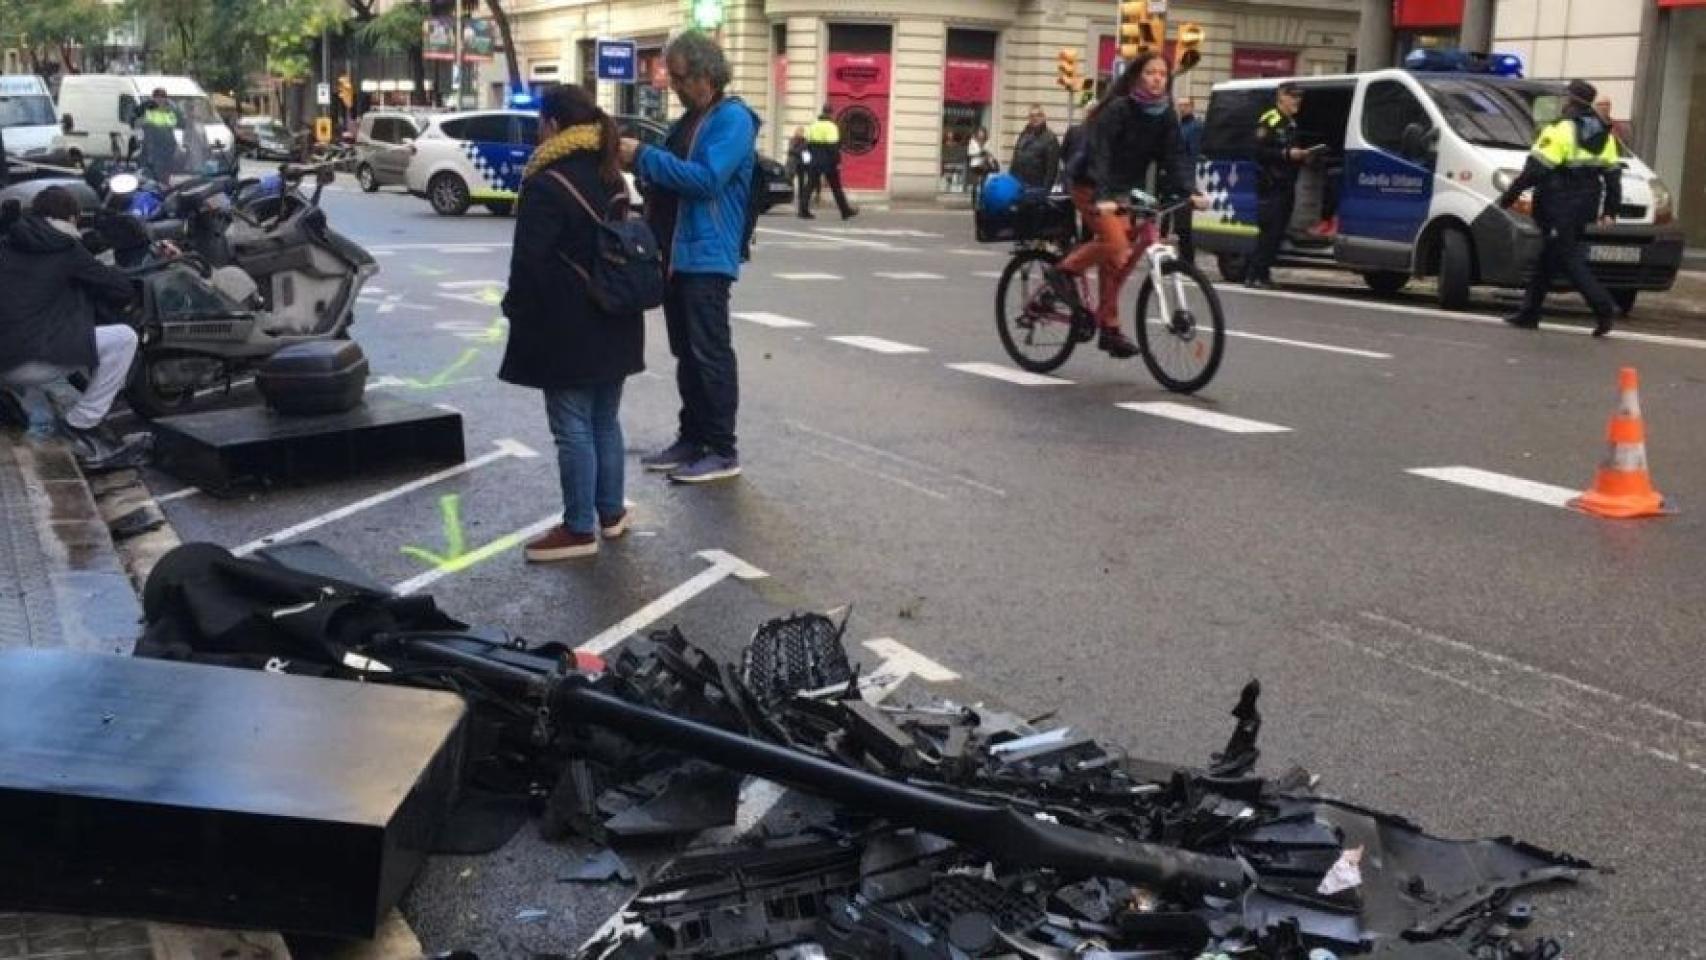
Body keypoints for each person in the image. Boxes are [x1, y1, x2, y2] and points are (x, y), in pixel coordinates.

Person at [500, 85, 643, 562]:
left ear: (554, 125)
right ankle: (611, 513)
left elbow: (530, 265)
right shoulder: (613, 176)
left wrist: (516, 311)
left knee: (572, 425)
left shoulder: (546, 183)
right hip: (618, 316)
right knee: (604, 417)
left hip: (569, 324)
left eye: (541, 122)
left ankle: (579, 527)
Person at [620, 30, 758, 483]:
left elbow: (705, 180)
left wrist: (643, 156)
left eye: (680, 78)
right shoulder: (688, 121)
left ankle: (722, 448)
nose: (675, 87)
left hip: (706, 255)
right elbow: (670, 174)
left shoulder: (732, 119)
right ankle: (692, 437)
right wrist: (643, 166)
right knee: (687, 353)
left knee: (709, 352)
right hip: (676, 255)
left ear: (705, 75)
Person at [1052, 52, 1204, 359]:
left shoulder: (1165, 115)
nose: (1157, 78)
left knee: (1117, 260)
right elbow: (1100, 153)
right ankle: (1063, 271)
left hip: (1123, 190)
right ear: (1137, 76)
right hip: (1090, 183)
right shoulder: (1119, 109)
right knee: (1115, 242)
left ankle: (1109, 329)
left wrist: (1190, 190)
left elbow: (1175, 156)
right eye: (1150, 72)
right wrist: (1104, 195)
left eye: (1162, 73)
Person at [0, 187, 145, 469]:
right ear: (72, 218)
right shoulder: (66, 248)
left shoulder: (7, 242)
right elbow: (120, 289)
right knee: (124, 338)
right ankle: (82, 422)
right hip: (27, 364)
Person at [1497, 78, 1622, 337]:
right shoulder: (1602, 133)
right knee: (1548, 257)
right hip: (1585, 205)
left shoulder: (1560, 130)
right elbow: (1612, 176)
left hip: (1559, 205)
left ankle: (1604, 308)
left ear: (1569, 101)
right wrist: (1610, 209)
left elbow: (1535, 170)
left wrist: (1509, 196)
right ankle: (1529, 313)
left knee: (1567, 258)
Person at [1247, 82, 1308, 290]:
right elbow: (1258, 151)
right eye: (1292, 96)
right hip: (1271, 184)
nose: (1297, 100)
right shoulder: (1270, 119)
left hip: (1285, 184)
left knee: (1278, 232)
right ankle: (1254, 275)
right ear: (1281, 96)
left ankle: (1263, 274)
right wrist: (1285, 154)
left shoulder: (1291, 123)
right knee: (1269, 232)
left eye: (1299, 96)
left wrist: (1302, 156)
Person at [799, 103, 856, 220]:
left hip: (814, 160)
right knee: (836, 187)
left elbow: (806, 146)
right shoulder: (832, 127)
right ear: (831, 113)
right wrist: (837, 162)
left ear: (822, 111)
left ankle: (803, 210)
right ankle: (845, 211)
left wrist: (806, 162)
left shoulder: (813, 125)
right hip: (828, 162)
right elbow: (833, 147)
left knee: (809, 185)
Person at [1174, 97, 1204, 263]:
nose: (1182, 108)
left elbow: (1194, 155)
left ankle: (1187, 259)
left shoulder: (1195, 127)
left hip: (1188, 179)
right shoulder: (1180, 127)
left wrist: (1191, 183)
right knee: (1180, 224)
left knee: (1184, 224)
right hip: (1179, 179)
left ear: (1192, 107)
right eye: (1180, 106)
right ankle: (1184, 257)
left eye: (1185, 105)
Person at [134, 88, 182, 182]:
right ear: (153, 98)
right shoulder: (147, 109)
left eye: (162, 97)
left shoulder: (170, 110)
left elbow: (175, 125)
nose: (160, 100)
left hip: (167, 147)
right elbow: (140, 125)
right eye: (157, 97)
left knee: (165, 174)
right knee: (153, 174)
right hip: (153, 147)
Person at [1009, 106, 1060, 191]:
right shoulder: (1023, 135)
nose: (1035, 118)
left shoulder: (1050, 138)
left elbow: (1052, 169)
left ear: (1044, 117)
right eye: (1032, 116)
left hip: (1037, 187)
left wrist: (1045, 190)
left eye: (1038, 115)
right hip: (1018, 185)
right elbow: (1015, 159)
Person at [966, 126, 992, 206]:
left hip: (984, 165)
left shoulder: (987, 142)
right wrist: (979, 154)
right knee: (975, 184)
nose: (981, 134)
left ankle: (981, 202)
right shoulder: (972, 142)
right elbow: (969, 154)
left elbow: (989, 153)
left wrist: (988, 157)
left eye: (982, 132)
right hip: (975, 165)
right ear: (977, 133)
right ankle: (973, 203)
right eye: (980, 132)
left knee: (983, 185)